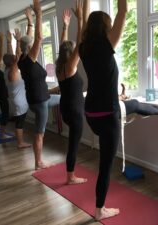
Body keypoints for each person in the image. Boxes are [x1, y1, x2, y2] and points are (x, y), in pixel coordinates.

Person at [79, 0, 127, 220]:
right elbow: (123, 11)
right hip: (108, 114)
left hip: (91, 113)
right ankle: (100, 210)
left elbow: (84, 30)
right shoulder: (106, 46)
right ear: (106, 28)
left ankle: (100, 207)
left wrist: (84, 13)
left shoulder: (84, 47)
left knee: (104, 163)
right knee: (106, 166)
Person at [18, 1, 60, 170]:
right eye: (32, 45)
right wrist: (39, 13)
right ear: (29, 48)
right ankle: (38, 162)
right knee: (39, 133)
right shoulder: (28, 60)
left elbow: (27, 40)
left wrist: (29, 20)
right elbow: (39, 38)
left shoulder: (21, 58)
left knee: (65, 98)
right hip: (40, 102)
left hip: (43, 98)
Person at [55, 0, 88, 184]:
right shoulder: (70, 66)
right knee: (73, 145)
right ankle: (70, 176)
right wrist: (81, 18)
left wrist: (65, 26)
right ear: (71, 53)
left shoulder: (61, 67)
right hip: (74, 112)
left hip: (65, 109)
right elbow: (80, 41)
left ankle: (70, 174)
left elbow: (64, 44)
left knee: (72, 142)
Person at [2, 29, 31, 149]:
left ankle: (20, 141)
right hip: (19, 101)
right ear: (12, 62)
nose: (15, 58)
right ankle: (20, 142)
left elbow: (12, 56)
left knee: (19, 121)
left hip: (15, 100)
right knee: (20, 122)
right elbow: (17, 56)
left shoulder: (6, 70)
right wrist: (18, 41)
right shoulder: (13, 71)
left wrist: (9, 42)